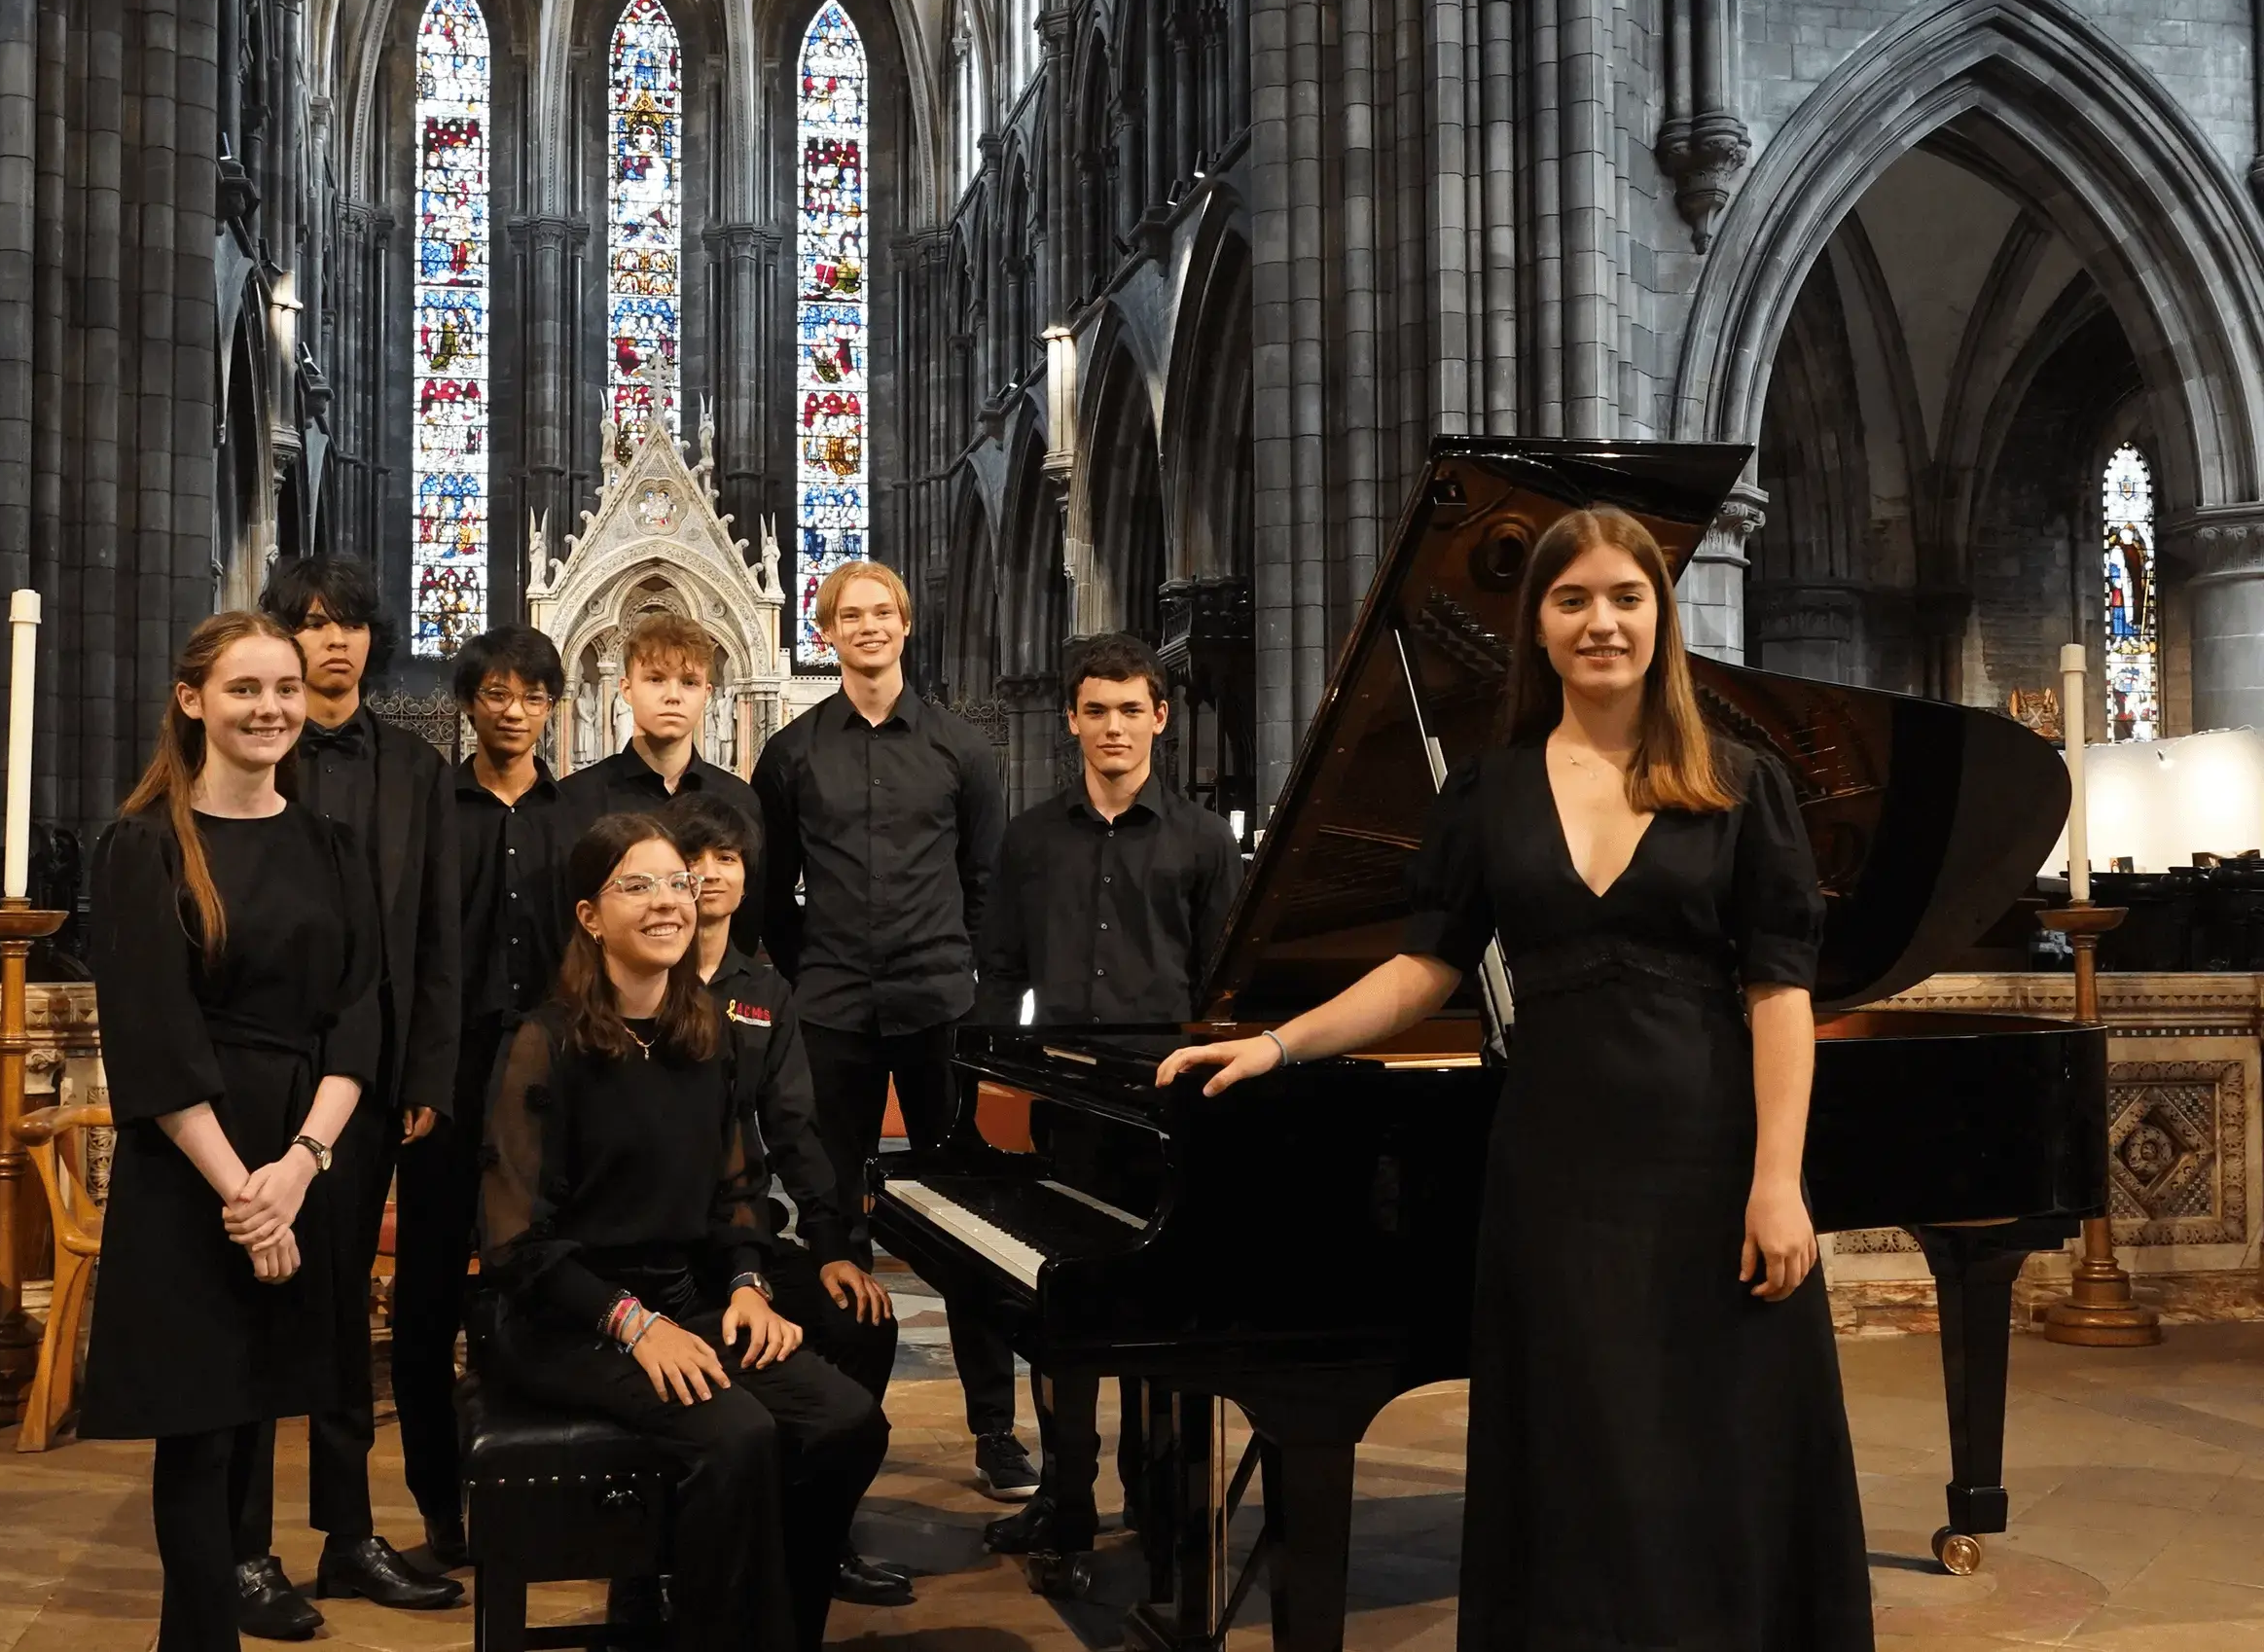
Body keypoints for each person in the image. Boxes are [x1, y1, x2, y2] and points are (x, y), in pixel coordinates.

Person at [1157, 505, 1873, 1648]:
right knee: (1579, 1444)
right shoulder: (1486, 793)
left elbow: (1779, 994)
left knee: (1718, 1440)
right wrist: (1279, 1041)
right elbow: (1418, 970)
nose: (1602, 622)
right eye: (1572, 599)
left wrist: (1778, 1182)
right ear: (1535, 626)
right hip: (1556, 1173)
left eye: (1625, 598)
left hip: (1709, 1162)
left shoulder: (1738, 782)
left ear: (1661, 616)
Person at [484, 811, 888, 1652]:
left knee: (849, 1422)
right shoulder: (544, 1042)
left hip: (682, 1298)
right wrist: (634, 1326)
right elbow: (516, 1243)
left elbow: (735, 1191)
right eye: (638, 884)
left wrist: (747, 1284)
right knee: (737, 1434)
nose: (669, 900)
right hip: (569, 1320)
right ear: (591, 916)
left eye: (677, 882)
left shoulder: (703, 1034)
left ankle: (779, 1630)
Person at [81, 611, 381, 1651]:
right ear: (192, 700)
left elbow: (359, 1018)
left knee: (263, 1416)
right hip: (189, 1169)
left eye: (286, 689)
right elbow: (156, 1043)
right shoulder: (143, 846)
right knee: (202, 1433)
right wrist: (244, 1196)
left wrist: (299, 1167)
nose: (270, 709)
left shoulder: (332, 846)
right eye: (247, 689)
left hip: (300, 1157)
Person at [750, 559, 1034, 1503]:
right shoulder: (792, 755)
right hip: (832, 1012)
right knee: (831, 1218)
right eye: (848, 616)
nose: (867, 628)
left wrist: (975, 996)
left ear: (905, 627)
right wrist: (809, 972)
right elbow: (766, 893)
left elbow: (988, 887)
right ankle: (845, 1423)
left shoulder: (962, 752)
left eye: (882, 613)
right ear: (823, 634)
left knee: (966, 1221)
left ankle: (994, 1427)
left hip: (936, 1009)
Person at [973, 633, 1243, 1560]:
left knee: (1156, 1311)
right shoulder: (1031, 837)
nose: (1114, 727)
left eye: (1132, 709)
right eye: (1097, 709)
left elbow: (1218, 987)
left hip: (1168, 1110)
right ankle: (1066, 1494)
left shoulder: (1204, 839)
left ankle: (1159, 1491)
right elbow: (1002, 967)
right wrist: (1009, 1074)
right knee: (1064, 1303)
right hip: (1067, 1102)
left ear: (1159, 719)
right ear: (1072, 720)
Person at [239, 555, 463, 1627]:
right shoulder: (246, 750)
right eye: (313, 625)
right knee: (247, 1310)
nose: (335, 643)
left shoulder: (417, 771)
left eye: (351, 627)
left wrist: (424, 1072)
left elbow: (436, 935)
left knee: (337, 1318)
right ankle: (240, 1548)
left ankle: (348, 1534)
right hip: (258, 1074)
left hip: (369, 1078)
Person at [665, 791, 912, 1607]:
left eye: (726, 860)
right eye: (693, 860)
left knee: (865, 1322)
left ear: (746, 877)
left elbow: (799, 1131)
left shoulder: (765, 988)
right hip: (663, 1249)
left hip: (747, 1237)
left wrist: (836, 1246)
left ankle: (816, 1524)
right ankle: (684, 1540)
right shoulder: (638, 980)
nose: (709, 875)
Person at [393, 624, 575, 1570]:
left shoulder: (569, 818)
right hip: (449, 1084)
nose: (513, 712)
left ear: (554, 705)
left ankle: (532, 1487)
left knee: (538, 1287)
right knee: (426, 1300)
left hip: (546, 1087)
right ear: (470, 704)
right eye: (496, 695)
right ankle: (438, 1505)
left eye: (531, 696)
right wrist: (420, 1080)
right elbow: (412, 947)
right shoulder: (432, 807)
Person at [558, 612, 766, 956]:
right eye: (655, 679)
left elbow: (749, 913)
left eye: (688, 682)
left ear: (707, 694)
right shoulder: (576, 799)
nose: (673, 696)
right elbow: (568, 916)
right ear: (626, 689)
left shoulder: (737, 799)